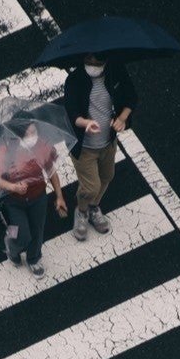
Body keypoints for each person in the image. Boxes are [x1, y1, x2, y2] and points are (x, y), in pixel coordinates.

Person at [64, 53, 139, 240]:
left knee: (107, 176)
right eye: (88, 61)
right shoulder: (74, 80)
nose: (93, 65)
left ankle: (93, 207)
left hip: (107, 142)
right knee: (90, 187)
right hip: (84, 147)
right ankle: (81, 212)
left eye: (97, 62)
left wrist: (122, 119)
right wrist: (85, 123)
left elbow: (131, 97)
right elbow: (72, 111)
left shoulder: (115, 72)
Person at [0, 121, 69, 276]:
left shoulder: (41, 147)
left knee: (37, 230)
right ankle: (11, 247)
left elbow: (51, 171)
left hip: (38, 197)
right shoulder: (5, 151)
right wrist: (13, 187)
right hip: (12, 202)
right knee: (20, 234)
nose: (34, 137)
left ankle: (33, 258)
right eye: (30, 133)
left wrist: (59, 196)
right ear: (19, 135)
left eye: (35, 132)